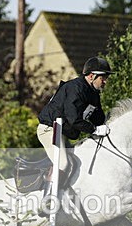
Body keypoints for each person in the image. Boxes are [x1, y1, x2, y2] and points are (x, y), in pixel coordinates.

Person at [36, 56, 112, 191]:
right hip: (49, 130)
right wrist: (94, 130)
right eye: (103, 78)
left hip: (62, 131)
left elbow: (98, 119)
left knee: (77, 161)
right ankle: (48, 199)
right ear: (91, 76)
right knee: (63, 164)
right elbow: (73, 119)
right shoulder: (75, 88)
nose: (105, 81)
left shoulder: (92, 93)